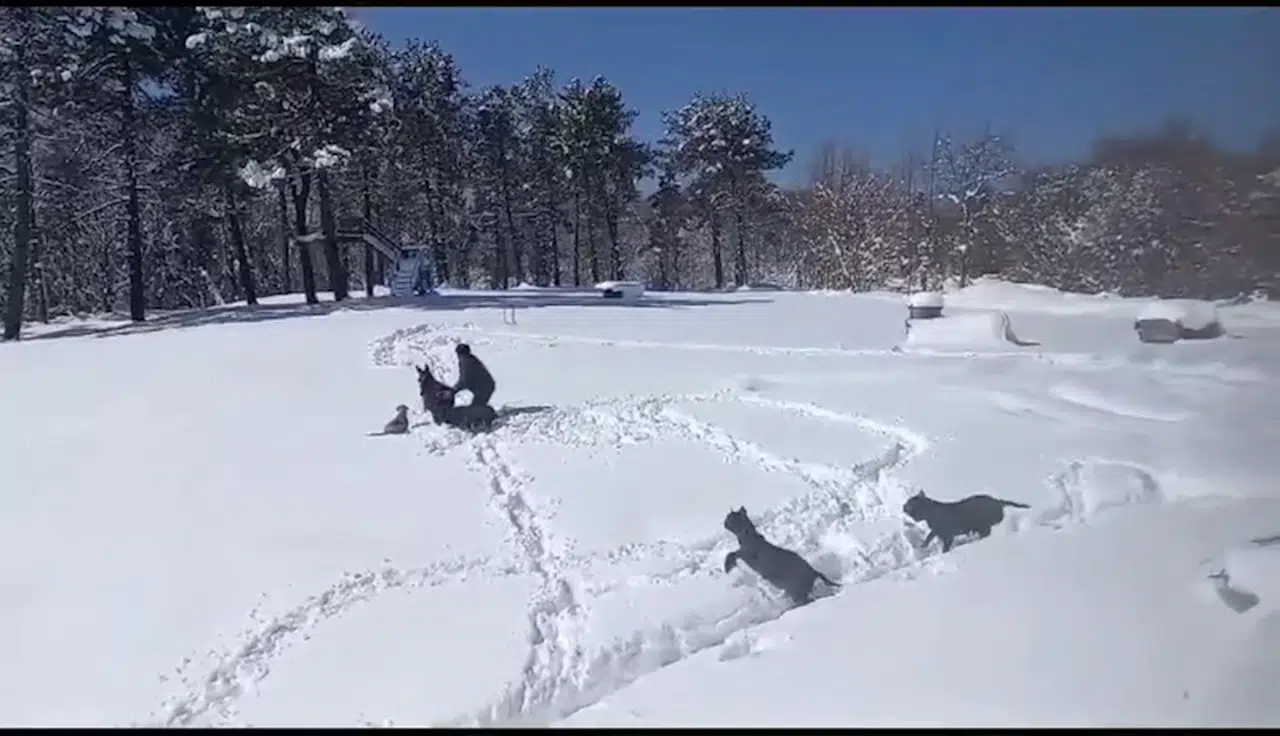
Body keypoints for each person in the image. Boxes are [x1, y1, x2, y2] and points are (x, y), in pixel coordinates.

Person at [452, 343, 496, 408]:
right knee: (476, 407)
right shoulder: (468, 360)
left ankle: (488, 415)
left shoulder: (467, 362)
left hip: (484, 387)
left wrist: (454, 390)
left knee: (476, 408)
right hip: (483, 386)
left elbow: (464, 380)